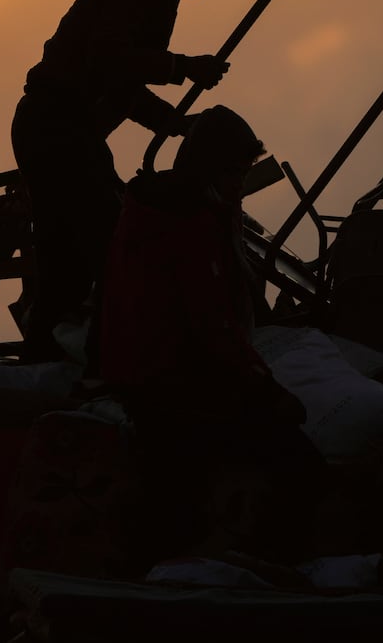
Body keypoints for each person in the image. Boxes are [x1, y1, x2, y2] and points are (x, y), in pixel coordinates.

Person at [11, 0, 241, 360]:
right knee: (105, 244)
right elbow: (110, 57)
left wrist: (175, 123)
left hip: (63, 130)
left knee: (75, 251)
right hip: (57, 128)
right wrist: (182, 67)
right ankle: (100, 358)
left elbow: (121, 83)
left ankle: (56, 354)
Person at [99, 106, 322, 562]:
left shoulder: (155, 210)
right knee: (297, 461)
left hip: (152, 375)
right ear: (208, 169)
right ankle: (278, 563)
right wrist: (266, 386)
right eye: (234, 172)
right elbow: (210, 325)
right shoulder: (187, 223)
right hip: (172, 383)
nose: (240, 184)